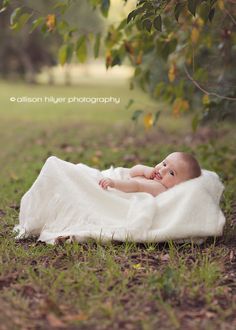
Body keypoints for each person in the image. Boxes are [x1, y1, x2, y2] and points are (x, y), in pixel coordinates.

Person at [99, 152, 201, 197]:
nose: (163, 170)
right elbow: (132, 172)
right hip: (116, 183)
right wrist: (144, 170)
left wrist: (114, 183)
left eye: (171, 173)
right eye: (164, 163)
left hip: (117, 187)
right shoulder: (153, 177)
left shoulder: (160, 187)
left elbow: (136, 186)